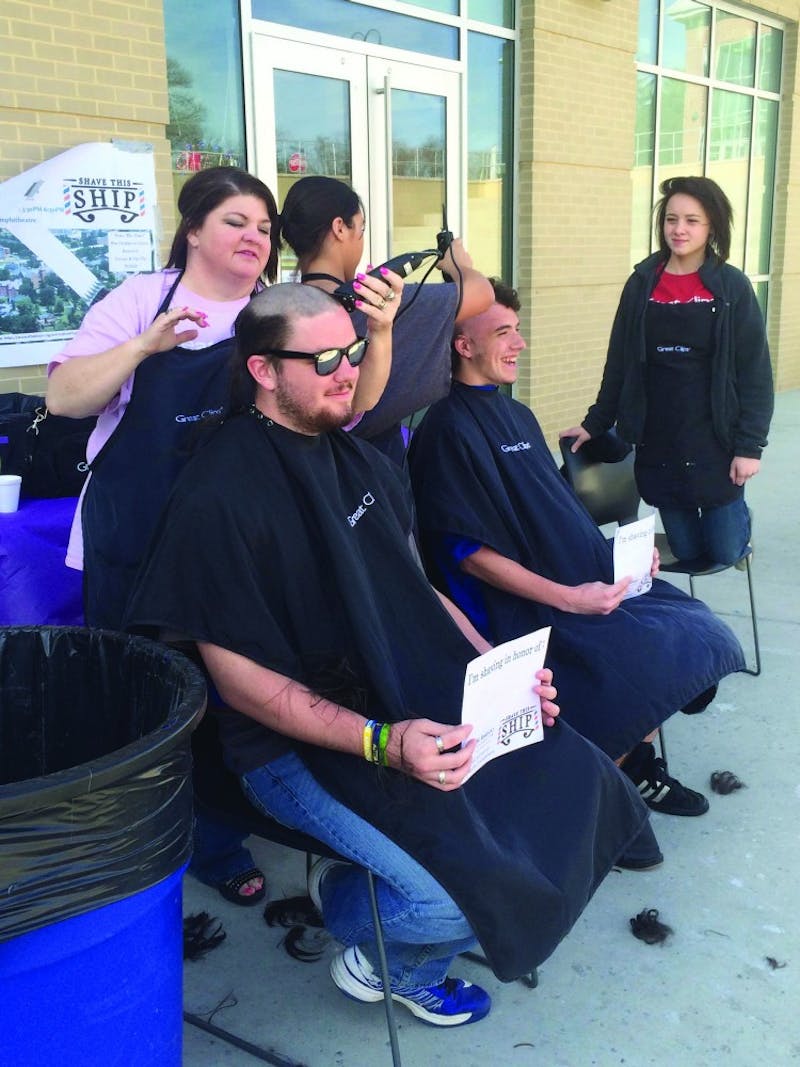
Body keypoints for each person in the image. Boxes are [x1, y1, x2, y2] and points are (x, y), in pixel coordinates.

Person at [124, 283, 648, 1025]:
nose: (348, 370)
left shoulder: (359, 457)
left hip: (409, 692)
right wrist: (381, 741)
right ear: (265, 370)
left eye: (354, 350)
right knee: (447, 902)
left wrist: (503, 674)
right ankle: (366, 916)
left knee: (582, 784)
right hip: (292, 747)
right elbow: (238, 682)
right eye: (327, 357)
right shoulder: (219, 493)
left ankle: (377, 882)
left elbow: (415, 588)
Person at [45, 166, 401, 907]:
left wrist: (383, 333)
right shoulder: (143, 298)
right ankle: (138, 851)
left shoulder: (275, 312)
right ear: (196, 228)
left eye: (266, 227)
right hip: (134, 540)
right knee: (143, 705)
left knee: (229, 700)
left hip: (236, 543)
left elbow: (354, 411)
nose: (254, 237)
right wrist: (144, 346)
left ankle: (216, 839)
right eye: (237, 221)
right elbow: (66, 397)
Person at [408, 279, 746, 828]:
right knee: (636, 655)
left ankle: (631, 763)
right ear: (462, 345)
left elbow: (554, 513)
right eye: (502, 333)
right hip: (517, 607)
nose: (518, 343)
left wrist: (623, 561)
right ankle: (607, 792)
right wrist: (569, 598)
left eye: (518, 330)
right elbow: (467, 553)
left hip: (578, 580)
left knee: (690, 625)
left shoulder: (515, 416)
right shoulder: (445, 431)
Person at [561, 175, 774, 567]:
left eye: (692, 220)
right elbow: (619, 361)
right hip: (659, 439)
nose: (679, 229)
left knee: (724, 551)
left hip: (714, 437)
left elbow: (755, 373)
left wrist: (749, 447)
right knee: (690, 554)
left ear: (712, 227)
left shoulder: (732, 288)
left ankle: (739, 522)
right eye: (671, 219)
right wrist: (595, 422)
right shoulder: (642, 283)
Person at [277, 175, 494, 461]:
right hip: (372, 474)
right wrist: (456, 264)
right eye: (361, 228)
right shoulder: (376, 307)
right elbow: (482, 293)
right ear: (340, 228)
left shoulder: (279, 309)